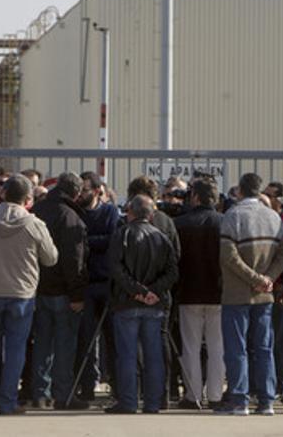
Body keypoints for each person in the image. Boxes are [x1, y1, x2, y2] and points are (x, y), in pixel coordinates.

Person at [0, 174, 59, 415]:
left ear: (3, 193)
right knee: (16, 349)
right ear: (28, 198)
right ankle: (8, 401)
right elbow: (51, 258)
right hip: (22, 294)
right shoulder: (34, 224)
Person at [214, 172, 283, 416]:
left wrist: (254, 279)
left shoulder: (233, 216)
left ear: (240, 191)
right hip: (264, 295)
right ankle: (266, 400)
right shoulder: (274, 217)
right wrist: (268, 279)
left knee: (237, 348)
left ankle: (239, 399)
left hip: (237, 295)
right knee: (264, 348)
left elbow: (228, 256)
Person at [105, 194, 179, 415]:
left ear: (130, 212)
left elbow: (115, 268)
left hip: (127, 303)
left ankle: (128, 401)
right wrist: (153, 291)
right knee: (153, 355)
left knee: (127, 354)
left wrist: (137, 291)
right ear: (152, 214)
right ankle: (153, 402)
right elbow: (173, 271)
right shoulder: (161, 237)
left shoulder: (123, 234)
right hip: (153, 305)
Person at [29, 172, 89, 410]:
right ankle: (63, 395)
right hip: (64, 293)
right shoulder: (71, 217)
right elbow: (74, 261)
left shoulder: (37, 211)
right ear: (75, 192)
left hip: (38, 289)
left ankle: (40, 394)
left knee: (42, 344)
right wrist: (76, 294)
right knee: (64, 346)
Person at [174, 178, 224, 409]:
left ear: (195, 197)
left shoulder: (180, 223)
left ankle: (192, 395)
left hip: (189, 291)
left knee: (191, 347)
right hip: (219, 292)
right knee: (217, 347)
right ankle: (216, 395)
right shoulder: (224, 222)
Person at [75, 170, 122, 402]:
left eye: (84, 189)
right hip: (85, 284)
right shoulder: (76, 213)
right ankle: (86, 386)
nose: (80, 194)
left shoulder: (110, 212)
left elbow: (113, 240)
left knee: (112, 338)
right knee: (85, 339)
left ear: (95, 191)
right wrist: (94, 242)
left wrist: (87, 242)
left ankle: (115, 384)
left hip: (106, 283)